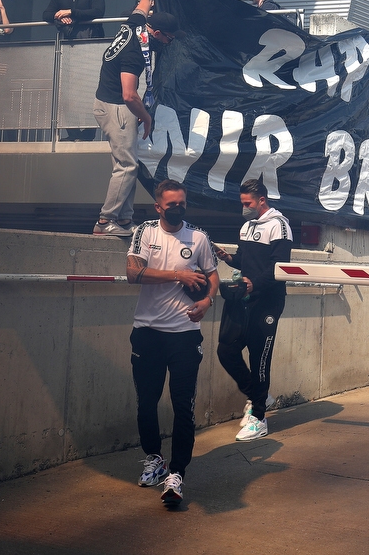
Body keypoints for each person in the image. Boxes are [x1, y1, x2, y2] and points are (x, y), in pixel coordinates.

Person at [125, 179, 219, 507]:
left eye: (182, 203)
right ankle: (154, 458)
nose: (177, 208)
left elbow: (213, 275)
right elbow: (132, 273)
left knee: (183, 406)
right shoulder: (145, 232)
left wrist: (207, 301)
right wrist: (177, 275)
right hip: (148, 332)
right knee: (146, 403)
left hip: (184, 335)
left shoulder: (198, 237)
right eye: (171, 204)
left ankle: (176, 473)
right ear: (159, 207)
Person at [92, 0, 180, 237]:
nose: (168, 43)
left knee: (128, 162)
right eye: (168, 38)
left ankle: (125, 219)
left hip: (112, 105)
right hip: (118, 107)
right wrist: (146, 116)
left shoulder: (135, 24)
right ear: (156, 34)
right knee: (127, 166)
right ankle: (106, 221)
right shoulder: (133, 52)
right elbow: (130, 94)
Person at [214, 179, 293, 441]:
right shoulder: (247, 226)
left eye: (248, 203)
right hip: (243, 297)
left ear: (261, 200)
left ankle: (259, 417)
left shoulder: (279, 225)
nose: (244, 208)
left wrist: (254, 284)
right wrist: (228, 258)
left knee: (259, 357)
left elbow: (279, 268)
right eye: (242, 203)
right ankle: (259, 396)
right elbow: (246, 260)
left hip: (267, 301)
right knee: (226, 349)